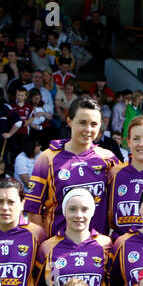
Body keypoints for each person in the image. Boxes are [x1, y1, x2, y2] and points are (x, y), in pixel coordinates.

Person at [25, 97, 117, 236]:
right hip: (58, 248)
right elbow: (33, 209)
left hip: (97, 249)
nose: (88, 129)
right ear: (69, 121)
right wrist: (42, 246)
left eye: (94, 124)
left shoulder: (108, 158)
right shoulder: (48, 158)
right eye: (82, 122)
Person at [36, 187, 113, 286]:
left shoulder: (105, 245)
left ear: (92, 212)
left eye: (84, 209)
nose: (79, 215)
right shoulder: (48, 248)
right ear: (64, 211)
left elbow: (113, 285)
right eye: (72, 209)